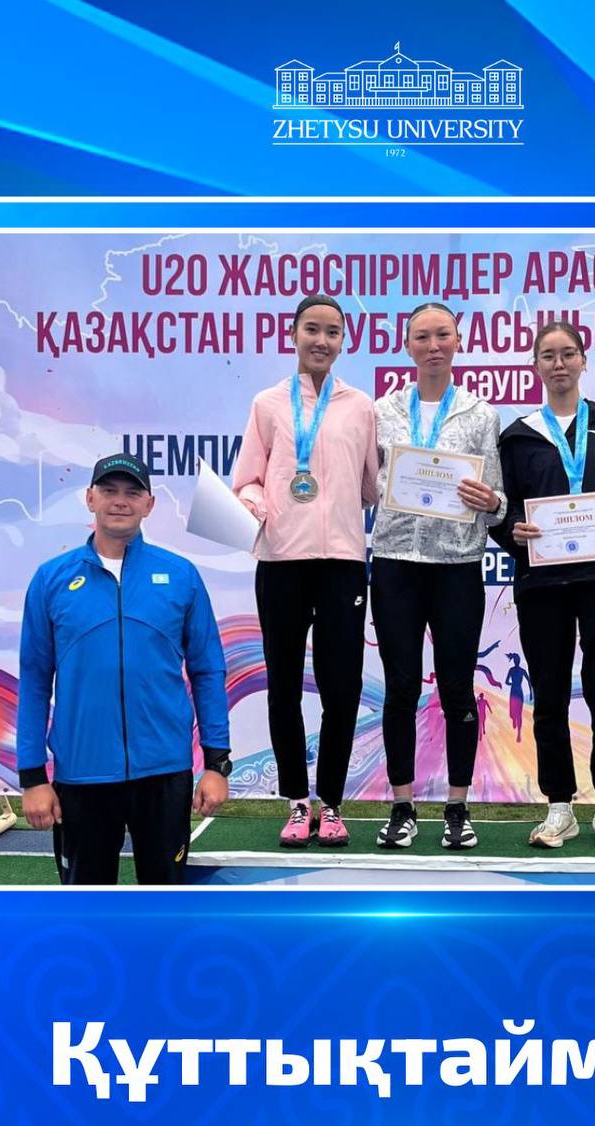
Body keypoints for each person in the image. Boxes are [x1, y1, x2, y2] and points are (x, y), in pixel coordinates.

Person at [17, 453, 231, 885]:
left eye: (132, 493)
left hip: (164, 773)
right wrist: (33, 777)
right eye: (109, 491)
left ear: (149, 504)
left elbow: (208, 671)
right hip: (82, 774)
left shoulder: (181, 576)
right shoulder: (51, 579)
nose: (120, 501)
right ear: (90, 498)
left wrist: (216, 763)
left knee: (164, 902)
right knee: (88, 908)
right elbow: (35, 681)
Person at [490, 322, 595, 850]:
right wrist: (513, 530)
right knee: (550, 698)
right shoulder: (517, 436)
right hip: (542, 585)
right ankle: (559, 807)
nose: (558, 364)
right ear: (535, 365)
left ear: (583, 360)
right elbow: (502, 510)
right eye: (548, 356)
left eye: (568, 354)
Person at [233, 295, 378, 848]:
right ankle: (297, 801)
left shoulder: (360, 407)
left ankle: (333, 803)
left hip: (343, 562)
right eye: (312, 329)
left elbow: (371, 487)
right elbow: (246, 479)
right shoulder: (268, 404)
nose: (322, 340)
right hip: (281, 562)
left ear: (344, 341)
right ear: (293, 335)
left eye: (332, 332)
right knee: (284, 686)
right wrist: (257, 506)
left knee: (343, 688)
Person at [371, 302, 506, 851]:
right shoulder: (381, 412)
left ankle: (457, 807)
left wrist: (490, 501)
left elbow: (497, 501)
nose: (433, 346)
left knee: (456, 689)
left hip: (458, 568)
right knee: (400, 687)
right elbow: (366, 485)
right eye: (422, 337)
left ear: (458, 341)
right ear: (407, 346)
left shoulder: (481, 415)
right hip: (396, 564)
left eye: (442, 335)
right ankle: (402, 807)